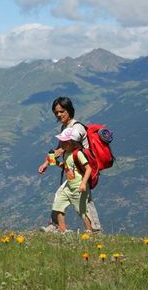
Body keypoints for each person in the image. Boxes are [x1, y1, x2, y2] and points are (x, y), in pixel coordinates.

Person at [37, 96, 102, 233]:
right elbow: (59, 148)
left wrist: (59, 151)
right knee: (61, 195)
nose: (59, 114)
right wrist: (46, 163)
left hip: (82, 172)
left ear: (69, 110)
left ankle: (95, 230)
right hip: (72, 172)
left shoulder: (77, 127)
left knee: (84, 203)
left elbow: (70, 144)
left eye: (62, 111)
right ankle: (56, 226)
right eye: (56, 112)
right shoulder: (64, 127)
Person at [48, 126, 94, 232]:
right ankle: (62, 229)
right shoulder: (67, 154)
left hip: (78, 187)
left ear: (72, 143)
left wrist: (83, 184)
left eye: (64, 142)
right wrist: (55, 163)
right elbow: (67, 167)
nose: (61, 144)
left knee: (82, 211)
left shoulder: (78, 153)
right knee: (58, 205)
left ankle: (89, 232)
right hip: (69, 187)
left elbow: (88, 169)